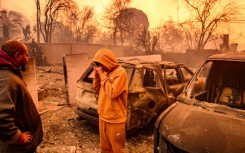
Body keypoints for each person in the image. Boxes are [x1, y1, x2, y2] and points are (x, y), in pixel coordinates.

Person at [0, 40, 43, 153]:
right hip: (16, 148)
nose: (27, 58)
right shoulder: (7, 79)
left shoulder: (9, 74)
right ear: (18, 56)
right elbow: (1, 116)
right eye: (26, 55)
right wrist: (18, 137)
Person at [93, 49, 128, 153]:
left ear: (107, 61)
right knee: (105, 149)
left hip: (115, 119)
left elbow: (112, 93)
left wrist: (103, 76)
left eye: (101, 64)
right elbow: (97, 89)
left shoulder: (121, 73)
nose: (100, 67)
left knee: (117, 149)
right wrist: (97, 75)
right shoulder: (105, 73)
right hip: (103, 117)